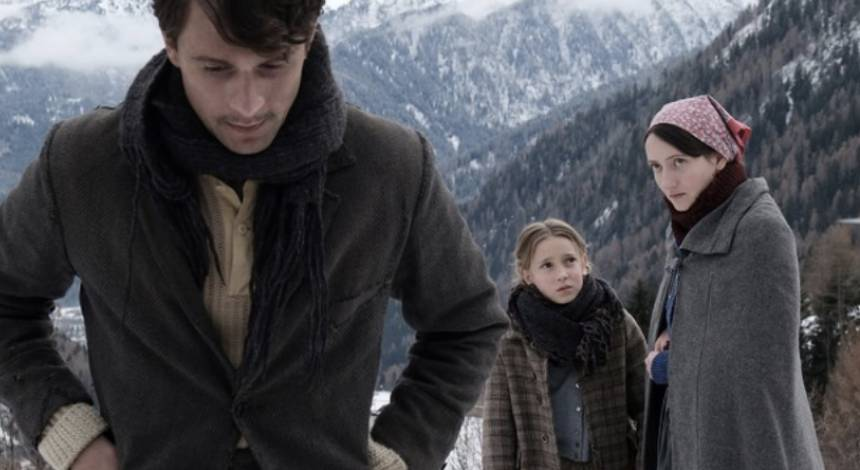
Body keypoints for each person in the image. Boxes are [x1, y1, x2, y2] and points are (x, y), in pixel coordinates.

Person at [0, 1, 508, 469]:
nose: (247, 104)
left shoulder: (389, 168)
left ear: (309, 38)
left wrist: (403, 451)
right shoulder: (82, 165)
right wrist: (70, 434)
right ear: (170, 43)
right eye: (216, 69)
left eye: (273, 65)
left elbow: (466, 324)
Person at [640, 95, 824, 469]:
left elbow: (762, 362)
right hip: (687, 430)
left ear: (719, 156)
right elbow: (716, 310)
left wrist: (668, 366)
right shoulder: (693, 220)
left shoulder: (760, 231)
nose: (667, 181)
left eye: (679, 162)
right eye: (656, 167)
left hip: (741, 442)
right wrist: (678, 328)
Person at [482, 218, 647, 470]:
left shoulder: (615, 324)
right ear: (527, 274)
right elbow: (498, 432)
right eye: (547, 265)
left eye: (569, 260)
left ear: (584, 262)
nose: (562, 274)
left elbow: (649, 406)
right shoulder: (512, 340)